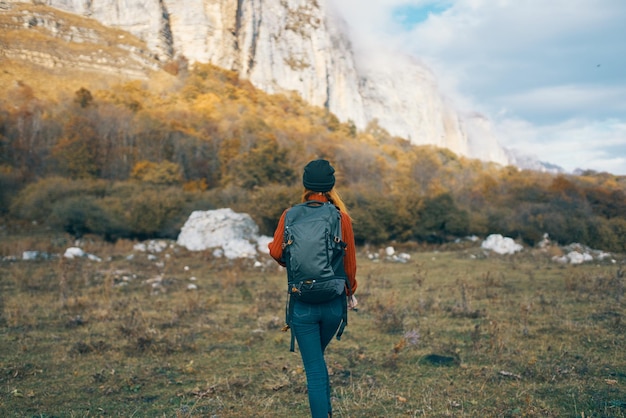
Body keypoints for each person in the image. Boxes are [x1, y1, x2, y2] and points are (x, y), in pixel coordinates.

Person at [268, 159, 358, 418]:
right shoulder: (341, 218)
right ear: (331, 185)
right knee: (317, 362)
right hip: (333, 305)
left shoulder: (290, 215)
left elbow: (276, 251)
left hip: (303, 305)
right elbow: (349, 265)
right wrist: (350, 292)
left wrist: (293, 260)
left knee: (315, 370)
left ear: (305, 184)